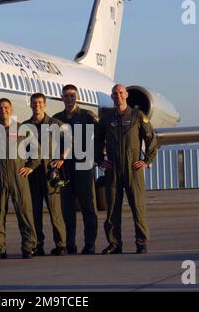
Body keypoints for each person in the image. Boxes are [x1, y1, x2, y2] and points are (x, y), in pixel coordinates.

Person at [96, 84, 158, 254]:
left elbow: (151, 138)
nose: (118, 96)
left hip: (133, 169)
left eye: (121, 93)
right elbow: (97, 141)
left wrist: (146, 160)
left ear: (127, 94)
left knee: (138, 207)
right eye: (115, 94)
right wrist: (100, 161)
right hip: (113, 169)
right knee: (112, 210)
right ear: (112, 96)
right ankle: (115, 243)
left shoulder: (138, 116)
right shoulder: (107, 118)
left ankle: (141, 242)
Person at [0, 98, 38, 259]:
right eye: (0, 108)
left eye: (6, 107)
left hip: (18, 176)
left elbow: (36, 149)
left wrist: (31, 166)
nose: (3, 110)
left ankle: (29, 246)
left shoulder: (23, 129)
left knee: (24, 212)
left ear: (12, 109)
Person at [53, 84, 98, 255]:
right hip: (66, 169)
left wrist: (98, 158)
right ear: (62, 98)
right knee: (67, 209)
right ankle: (70, 244)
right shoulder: (57, 119)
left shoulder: (87, 116)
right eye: (66, 96)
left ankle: (90, 244)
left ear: (76, 97)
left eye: (72, 95)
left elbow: (99, 137)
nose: (69, 98)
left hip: (83, 166)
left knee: (88, 207)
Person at [22, 93, 67, 256]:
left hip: (50, 173)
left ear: (45, 105)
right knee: (35, 212)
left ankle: (61, 244)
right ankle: (37, 244)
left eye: (40, 103)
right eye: (34, 103)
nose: (37, 106)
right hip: (33, 174)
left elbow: (70, 140)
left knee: (55, 212)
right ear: (31, 105)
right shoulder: (25, 126)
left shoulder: (56, 124)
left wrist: (62, 157)